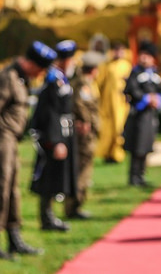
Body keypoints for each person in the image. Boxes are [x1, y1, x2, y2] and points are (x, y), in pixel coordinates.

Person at [0, 40, 56, 259]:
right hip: (0, 137)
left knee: (12, 188)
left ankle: (14, 237)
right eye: (40, 69)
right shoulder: (7, 78)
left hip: (11, 139)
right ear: (32, 63)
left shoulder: (20, 79)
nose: (40, 74)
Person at [30, 39, 79, 231]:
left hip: (64, 133)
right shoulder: (53, 80)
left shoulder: (61, 78)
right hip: (54, 136)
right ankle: (46, 218)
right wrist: (56, 140)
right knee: (48, 178)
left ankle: (50, 216)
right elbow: (49, 113)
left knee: (58, 176)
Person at [65, 50, 102, 220]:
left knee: (84, 167)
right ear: (93, 69)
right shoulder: (83, 84)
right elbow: (80, 104)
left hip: (87, 131)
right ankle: (74, 206)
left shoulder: (84, 82)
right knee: (82, 169)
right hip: (84, 134)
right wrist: (86, 121)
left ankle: (76, 205)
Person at [123, 41, 161, 187]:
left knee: (146, 146)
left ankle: (141, 175)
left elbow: (160, 91)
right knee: (137, 146)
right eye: (142, 55)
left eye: (148, 56)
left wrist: (157, 100)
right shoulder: (135, 72)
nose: (144, 58)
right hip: (138, 115)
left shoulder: (155, 74)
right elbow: (131, 90)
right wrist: (147, 99)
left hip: (150, 116)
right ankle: (133, 176)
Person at [96, 41, 131, 163]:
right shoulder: (107, 65)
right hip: (108, 103)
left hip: (121, 103)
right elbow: (99, 83)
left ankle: (118, 154)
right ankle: (107, 153)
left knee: (119, 128)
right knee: (107, 130)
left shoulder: (127, 66)